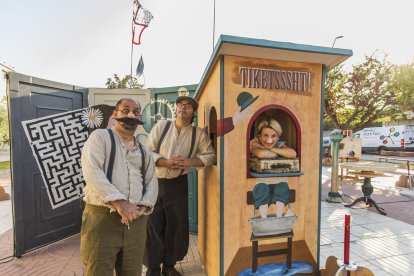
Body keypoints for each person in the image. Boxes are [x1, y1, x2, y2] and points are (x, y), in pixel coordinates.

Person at [80, 98, 158, 276]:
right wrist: (120, 203)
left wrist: (142, 207)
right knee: (97, 270)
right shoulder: (100, 137)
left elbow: (152, 181)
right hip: (102, 219)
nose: (131, 114)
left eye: (136, 111)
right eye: (125, 110)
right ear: (115, 115)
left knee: (132, 272)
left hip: (136, 221)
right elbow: (92, 172)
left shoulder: (144, 151)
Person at [145, 96, 216, 276]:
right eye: (180, 105)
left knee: (176, 226)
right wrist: (164, 162)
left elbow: (210, 155)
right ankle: (153, 268)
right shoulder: (162, 126)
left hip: (178, 184)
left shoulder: (197, 134)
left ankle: (169, 266)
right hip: (155, 182)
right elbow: (147, 151)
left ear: (193, 112)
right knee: (153, 225)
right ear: (176, 109)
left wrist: (191, 161)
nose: (183, 108)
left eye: (188, 106)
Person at [250, 118, 297, 219]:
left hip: (277, 183)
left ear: (278, 137)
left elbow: (292, 153)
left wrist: (271, 148)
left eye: (273, 136)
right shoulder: (254, 143)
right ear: (259, 136)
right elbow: (262, 154)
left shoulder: (278, 144)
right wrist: (279, 152)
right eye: (265, 135)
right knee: (261, 189)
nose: (269, 140)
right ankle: (263, 219)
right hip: (261, 183)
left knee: (283, 187)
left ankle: (279, 218)